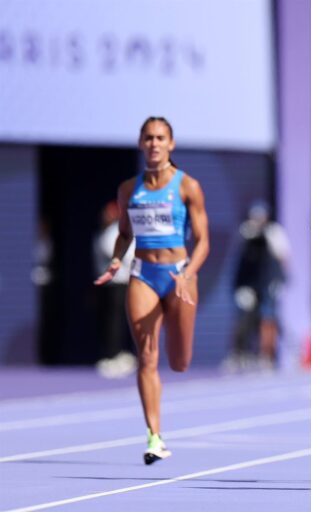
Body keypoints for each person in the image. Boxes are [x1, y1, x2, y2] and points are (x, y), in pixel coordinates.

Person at [94, 116, 210, 465]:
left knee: (179, 361)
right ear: (141, 143)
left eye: (160, 138)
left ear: (170, 144)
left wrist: (188, 273)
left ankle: (159, 425)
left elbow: (203, 241)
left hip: (179, 275)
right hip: (143, 274)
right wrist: (117, 260)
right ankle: (154, 437)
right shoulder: (129, 189)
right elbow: (124, 234)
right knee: (146, 357)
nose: (154, 143)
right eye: (148, 138)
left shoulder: (188, 186)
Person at [225, 200, 289, 372]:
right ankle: (239, 353)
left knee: (268, 317)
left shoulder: (274, 232)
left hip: (269, 281)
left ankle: (266, 355)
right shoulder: (245, 232)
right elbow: (240, 261)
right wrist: (240, 285)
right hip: (250, 283)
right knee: (245, 317)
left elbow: (283, 258)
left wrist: (280, 280)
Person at [93, 200, 137, 378]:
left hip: (120, 283)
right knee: (110, 321)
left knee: (117, 321)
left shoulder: (116, 233)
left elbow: (127, 256)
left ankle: (116, 354)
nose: (106, 216)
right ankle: (111, 354)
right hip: (111, 284)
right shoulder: (106, 233)